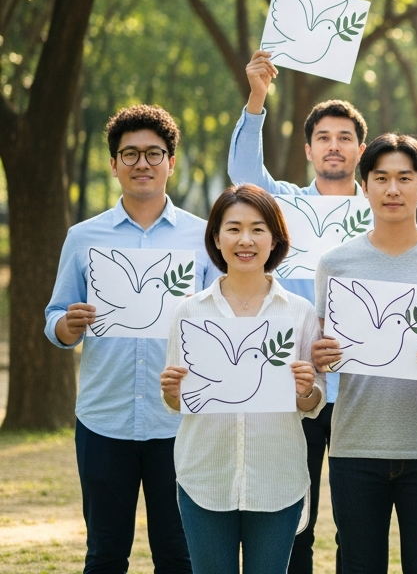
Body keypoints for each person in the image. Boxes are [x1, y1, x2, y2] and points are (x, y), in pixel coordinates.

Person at [45, 104, 216, 573]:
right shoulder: (83, 237)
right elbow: (55, 314)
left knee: (179, 556)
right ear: (113, 163)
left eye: (154, 153)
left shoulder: (204, 237)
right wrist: (67, 326)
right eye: (130, 153)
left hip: (180, 422)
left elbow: (226, 315)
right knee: (104, 554)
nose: (143, 163)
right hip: (104, 419)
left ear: (171, 162)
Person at [309, 134, 417, 574]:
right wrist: (321, 355)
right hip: (354, 447)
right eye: (381, 178)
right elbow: (324, 353)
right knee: (358, 565)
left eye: (404, 178)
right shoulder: (336, 263)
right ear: (364, 186)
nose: (392, 189)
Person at [229, 50, 369, 573]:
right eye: (324, 138)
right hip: (295, 384)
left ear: (360, 150)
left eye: (345, 138)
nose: (334, 146)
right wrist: (257, 97)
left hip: (361, 388)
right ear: (309, 149)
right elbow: (244, 174)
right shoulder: (284, 204)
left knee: (358, 524)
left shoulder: (381, 212)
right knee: (296, 519)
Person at [159, 184, 326, 573]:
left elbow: (312, 402)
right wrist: (171, 391)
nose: (245, 240)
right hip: (205, 476)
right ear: (216, 238)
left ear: (275, 239)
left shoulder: (299, 312)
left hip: (277, 478)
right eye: (233, 229)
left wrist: (305, 390)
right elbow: (178, 402)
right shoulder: (190, 312)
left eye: (257, 229)